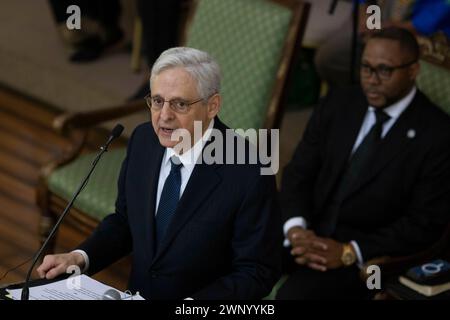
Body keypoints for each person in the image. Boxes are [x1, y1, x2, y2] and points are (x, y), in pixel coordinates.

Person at [37, 47, 282, 299]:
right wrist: (80, 257)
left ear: (212, 106)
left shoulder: (250, 172)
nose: (164, 116)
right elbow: (125, 221)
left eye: (180, 104)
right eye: (157, 101)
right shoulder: (143, 140)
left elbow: (256, 271)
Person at [277, 27, 450, 299]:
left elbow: (423, 224)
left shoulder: (438, 135)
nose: (371, 80)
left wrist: (349, 252)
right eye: (366, 68)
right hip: (305, 232)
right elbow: (299, 171)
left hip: (365, 258)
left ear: (413, 70)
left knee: (294, 296)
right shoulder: (338, 102)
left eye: (384, 70)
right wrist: (296, 228)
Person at [315, 0, 450, 86]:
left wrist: (387, 28)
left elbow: (431, 19)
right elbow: (366, 4)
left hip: (425, 38)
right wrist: (371, 21)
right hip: (377, 22)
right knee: (329, 57)